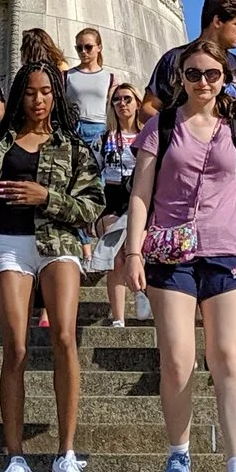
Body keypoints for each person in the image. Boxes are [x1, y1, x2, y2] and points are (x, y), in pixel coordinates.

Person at [119, 40, 236, 472]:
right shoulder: (159, 126)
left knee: (228, 358)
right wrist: (133, 248)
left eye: (211, 74)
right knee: (178, 361)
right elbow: (141, 192)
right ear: (178, 78)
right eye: (193, 74)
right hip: (170, 253)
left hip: (227, 251)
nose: (202, 82)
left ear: (225, 78)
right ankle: (179, 451)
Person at [0, 60, 103, 472]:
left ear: (57, 96)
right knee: (14, 346)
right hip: (9, 243)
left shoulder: (73, 147)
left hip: (59, 245)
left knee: (65, 339)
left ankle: (67, 454)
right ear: (20, 95)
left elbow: (91, 206)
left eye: (46, 92)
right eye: (31, 92)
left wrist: (46, 197)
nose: (38, 100)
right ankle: (14, 455)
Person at [144, 0, 236, 175]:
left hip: (230, 167)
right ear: (217, 21)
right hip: (178, 168)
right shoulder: (175, 59)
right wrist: (179, 133)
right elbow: (147, 108)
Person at [97, 81, 146, 328]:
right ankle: (118, 317)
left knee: (132, 249)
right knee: (114, 258)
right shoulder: (105, 137)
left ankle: (139, 292)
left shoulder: (147, 135)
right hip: (112, 197)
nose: (122, 104)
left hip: (138, 197)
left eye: (127, 98)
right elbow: (95, 171)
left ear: (138, 103)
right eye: (116, 100)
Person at [63, 29, 125, 150]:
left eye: (88, 47)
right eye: (79, 48)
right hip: (73, 128)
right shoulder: (66, 76)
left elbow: (112, 109)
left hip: (99, 130)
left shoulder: (110, 78)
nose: (83, 52)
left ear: (99, 47)